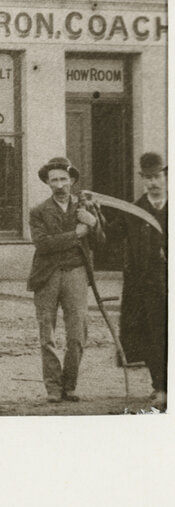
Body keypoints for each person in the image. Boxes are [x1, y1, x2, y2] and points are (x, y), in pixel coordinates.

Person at [27, 156, 103, 402]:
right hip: (46, 275)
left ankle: (69, 385)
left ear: (71, 180)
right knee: (46, 334)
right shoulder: (38, 211)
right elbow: (43, 244)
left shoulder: (85, 207)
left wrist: (93, 223)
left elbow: (102, 242)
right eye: (54, 180)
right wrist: (76, 233)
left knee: (77, 333)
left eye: (63, 179)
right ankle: (52, 387)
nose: (59, 185)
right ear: (48, 183)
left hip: (76, 273)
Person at [112, 152, 168, 410]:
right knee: (154, 335)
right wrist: (92, 222)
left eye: (157, 176)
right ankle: (160, 387)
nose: (153, 182)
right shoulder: (136, 211)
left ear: (166, 176)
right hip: (148, 286)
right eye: (147, 178)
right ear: (141, 179)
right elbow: (111, 236)